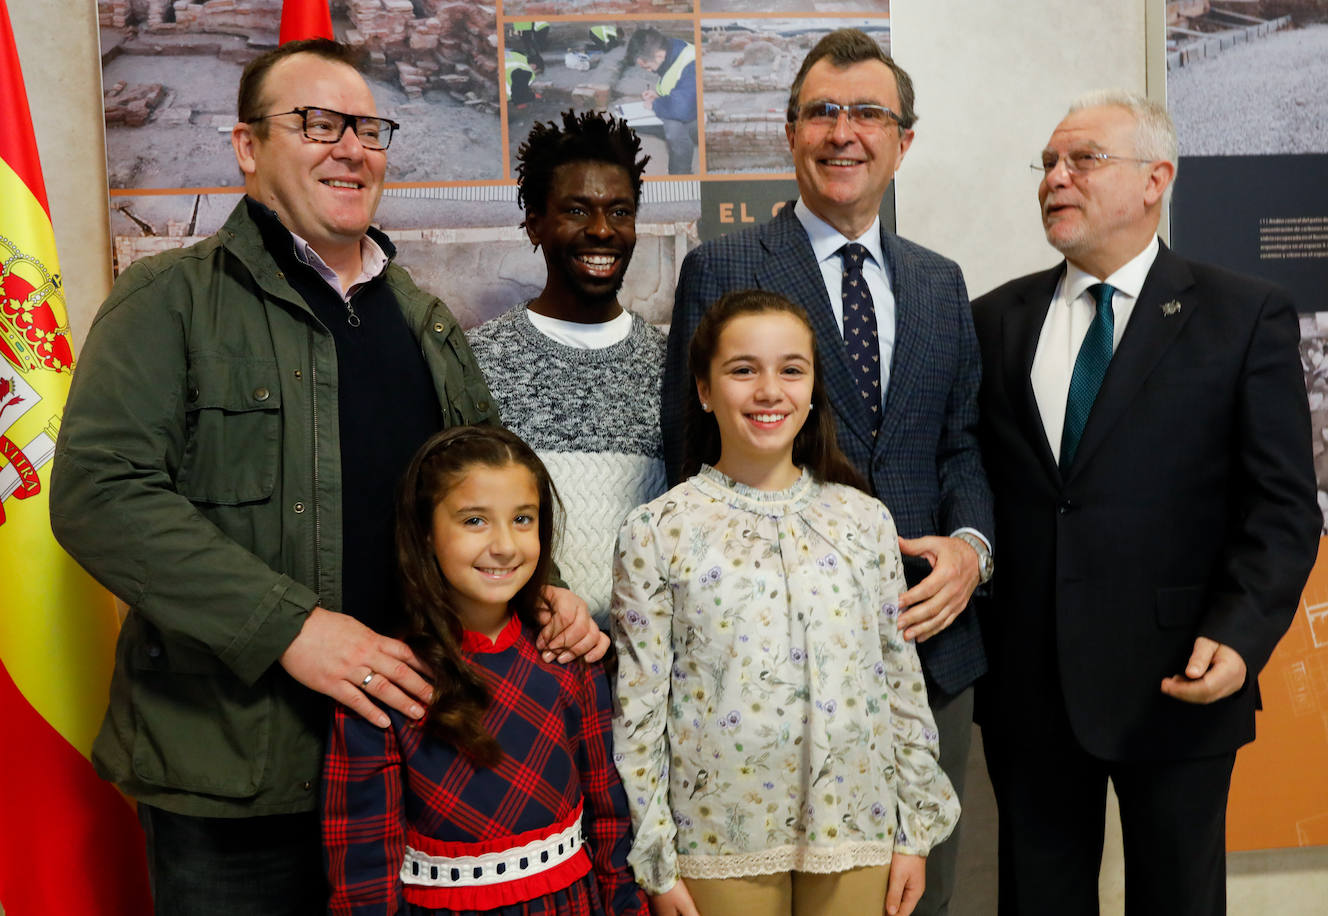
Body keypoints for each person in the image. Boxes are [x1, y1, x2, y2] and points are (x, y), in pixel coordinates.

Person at [49, 39, 604, 915]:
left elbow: (484, 495)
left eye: (368, 128)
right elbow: (100, 497)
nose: (350, 146)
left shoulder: (425, 320)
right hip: (238, 782)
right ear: (246, 146)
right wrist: (296, 629)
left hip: (414, 769)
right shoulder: (169, 301)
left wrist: (548, 592)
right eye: (315, 122)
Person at [661, 29, 992, 916]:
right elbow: (685, 456)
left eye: (869, 113)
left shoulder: (939, 282)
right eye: (823, 113)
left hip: (926, 642)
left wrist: (970, 548)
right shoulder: (724, 267)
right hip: (758, 670)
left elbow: (960, 443)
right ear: (790, 132)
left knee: (914, 894)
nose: (845, 132)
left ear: (904, 141)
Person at [971, 89, 1321, 916]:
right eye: (1049, 163)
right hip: (1029, 685)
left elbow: (1281, 508)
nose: (1056, 177)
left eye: (1082, 160)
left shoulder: (1242, 315)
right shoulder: (993, 319)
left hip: (1181, 678)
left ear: (1155, 179)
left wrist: (1240, 639)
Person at [613, 290, 959, 916]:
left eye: (790, 369)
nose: (769, 389)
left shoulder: (865, 521)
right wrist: (656, 860)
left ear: (812, 388)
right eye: (744, 369)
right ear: (704, 389)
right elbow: (639, 710)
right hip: (717, 835)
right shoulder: (657, 530)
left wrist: (915, 831)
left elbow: (901, 687)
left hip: (858, 826)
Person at [322, 425, 650, 915]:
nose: (505, 545)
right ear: (426, 532)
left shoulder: (568, 660)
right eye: (475, 521)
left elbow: (608, 818)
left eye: (523, 519)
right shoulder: (387, 680)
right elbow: (363, 871)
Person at [469, 110, 665, 628]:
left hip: (650, 668)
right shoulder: (477, 361)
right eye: (578, 211)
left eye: (620, 212)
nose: (602, 230)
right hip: (524, 670)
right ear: (535, 223)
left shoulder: (672, 365)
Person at [625, 27, 697, 174]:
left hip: (701, 117)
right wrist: (658, 96)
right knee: (634, 123)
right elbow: (678, 88)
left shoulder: (690, 63)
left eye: (648, 67)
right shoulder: (671, 50)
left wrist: (655, 104)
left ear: (658, 56)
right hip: (691, 107)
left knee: (673, 128)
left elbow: (682, 109)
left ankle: (681, 175)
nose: (649, 71)